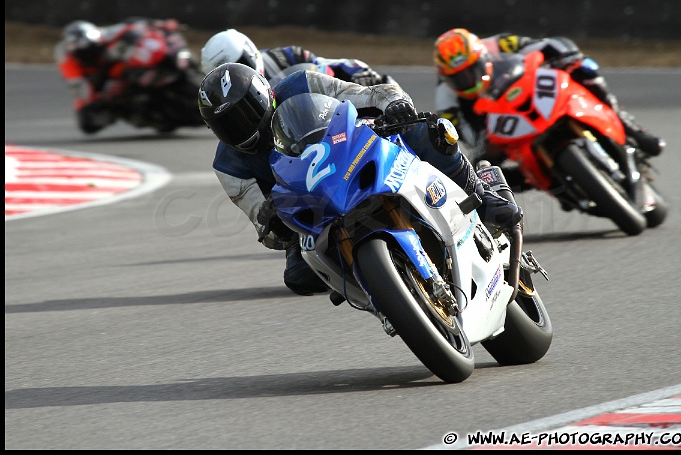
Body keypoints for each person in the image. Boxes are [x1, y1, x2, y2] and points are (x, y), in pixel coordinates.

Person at [198, 63, 522, 295]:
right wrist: (272, 223)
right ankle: (381, 293)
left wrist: (394, 105)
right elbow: (264, 227)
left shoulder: (301, 83)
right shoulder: (229, 166)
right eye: (227, 124)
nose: (241, 129)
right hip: (307, 203)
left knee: (426, 131)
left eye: (245, 114)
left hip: (352, 152)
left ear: (264, 96)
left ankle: (479, 191)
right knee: (300, 277)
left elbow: (368, 94)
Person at [433, 28, 667, 186]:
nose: (469, 80)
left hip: (529, 90)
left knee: (586, 71)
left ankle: (633, 131)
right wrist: (484, 142)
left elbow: (547, 45)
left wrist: (566, 57)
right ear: (446, 77)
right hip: (499, 123)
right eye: (459, 78)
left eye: (472, 70)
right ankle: (543, 184)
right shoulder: (445, 94)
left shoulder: (499, 44)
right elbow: (463, 133)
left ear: (482, 56)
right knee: (480, 173)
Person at [54, 17, 190, 134]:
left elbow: (135, 23)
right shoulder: (66, 57)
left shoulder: (107, 34)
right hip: (100, 82)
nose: (90, 53)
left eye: (93, 48)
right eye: (85, 52)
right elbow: (77, 83)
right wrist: (99, 98)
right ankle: (147, 117)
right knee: (88, 122)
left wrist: (161, 24)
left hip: (126, 67)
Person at [199, 28, 395, 86]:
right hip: (286, 148)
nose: (237, 74)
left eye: (240, 64)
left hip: (332, 119)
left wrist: (362, 74)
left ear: (250, 52)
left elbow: (334, 65)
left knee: (385, 83)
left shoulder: (287, 57)